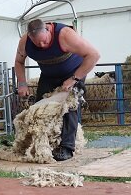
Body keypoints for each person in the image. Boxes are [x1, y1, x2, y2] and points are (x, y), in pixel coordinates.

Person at [14, 18, 100, 161]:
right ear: (29, 37)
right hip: (48, 75)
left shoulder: (65, 35)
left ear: (48, 30)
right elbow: (18, 61)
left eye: (45, 41)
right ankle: (41, 145)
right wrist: (22, 82)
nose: (42, 45)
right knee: (40, 109)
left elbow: (94, 55)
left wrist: (74, 78)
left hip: (74, 72)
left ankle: (67, 148)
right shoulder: (24, 42)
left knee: (69, 106)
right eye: (37, 43)